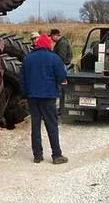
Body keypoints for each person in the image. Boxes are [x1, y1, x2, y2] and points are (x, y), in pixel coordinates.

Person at [20, 34, 68, 164]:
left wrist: (26, 94)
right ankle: (56, 155)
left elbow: (22, 80)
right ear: (48, 45)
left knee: (35, 126)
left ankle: (37, 155)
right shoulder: (54, 58)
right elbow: (62, 77)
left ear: (37, 45)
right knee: (51, 125)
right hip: (48, 97)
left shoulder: (27, 59)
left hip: (32, 97)